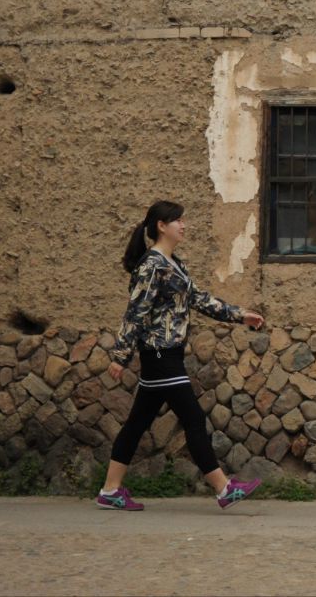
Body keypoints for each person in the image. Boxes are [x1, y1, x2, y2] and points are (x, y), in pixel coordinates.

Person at [96, 200, 266, 511]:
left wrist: (240, 315)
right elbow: (136, 312)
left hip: (165, 353)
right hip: (161, 354)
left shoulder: (174, 264)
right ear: (162, 226)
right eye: (178, 221)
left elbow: (199, 300)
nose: (183, 225)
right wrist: (120, 356)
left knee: (137, 423)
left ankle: (110, 490)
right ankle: (223, 488)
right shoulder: (151, 266)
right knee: (193, 418)